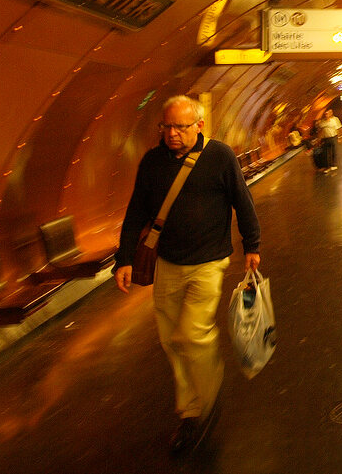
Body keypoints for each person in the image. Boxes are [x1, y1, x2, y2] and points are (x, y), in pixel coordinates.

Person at [114, 95, 261, 455]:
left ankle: (207, 400)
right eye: (167, 127)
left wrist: (252, 244)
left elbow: (242, 200)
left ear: (199, 126)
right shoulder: (152, 162)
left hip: (208, 262)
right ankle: (189, 412)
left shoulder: (220, 157)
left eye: (181, 126)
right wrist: (124, 259)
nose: (173, 134)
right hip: (167, 263)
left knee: (192, 333)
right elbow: (136, 212)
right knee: (171, 340)